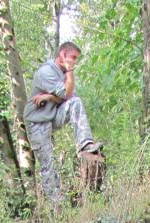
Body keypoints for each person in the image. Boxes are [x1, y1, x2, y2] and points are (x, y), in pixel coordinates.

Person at [23, 42, 102, 205]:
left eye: (76, 59)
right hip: (37, 122)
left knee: (76, 103)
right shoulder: (46, 72)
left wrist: (50, 97)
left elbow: (71, 97)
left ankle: (85, 145)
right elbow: (66, 93)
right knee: (48, 164)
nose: (74, 61)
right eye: (72, 57)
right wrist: (70, 72)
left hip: (52, 116)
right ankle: (56, 206)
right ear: (62, 55)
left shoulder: (64, 74)